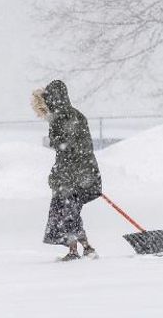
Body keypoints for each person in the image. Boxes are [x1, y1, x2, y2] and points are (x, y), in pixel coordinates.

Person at [31, 80, 102, 261]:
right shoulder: (75, 115)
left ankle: (77, 250)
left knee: (67, 212)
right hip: (81, 171)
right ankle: (86, 248)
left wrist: (66, 174)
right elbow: (77, 147)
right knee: (70, 212)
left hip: (72, 175)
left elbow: (65, 146)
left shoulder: (62, 117)